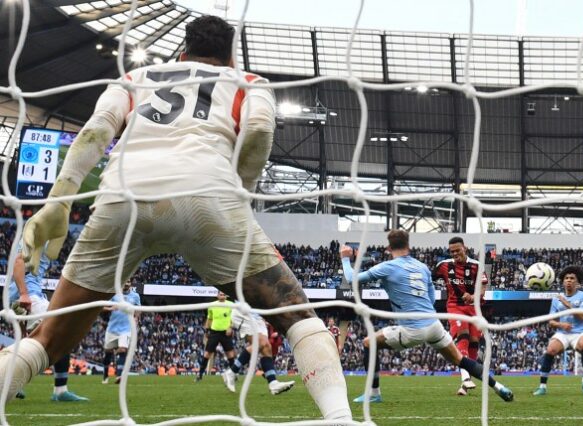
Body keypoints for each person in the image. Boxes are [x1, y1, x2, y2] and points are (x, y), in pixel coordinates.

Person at [0, 15, 351, 422]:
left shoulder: (134, 77)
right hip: (208, 196)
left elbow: (96, 130)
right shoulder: (247, 82)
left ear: (182, 50)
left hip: (122, 199)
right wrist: (241, 190)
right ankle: (340, 418)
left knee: (47, 339)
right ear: (231, 56)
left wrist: (59, 202)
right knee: (295, 315)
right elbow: (257, 130)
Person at [339, 230, 513, 403]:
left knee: (369, 343)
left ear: (388, 248)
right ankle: (499, 387)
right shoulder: (421, 267)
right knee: (461, 359)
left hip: (413, 329)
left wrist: (345, 258)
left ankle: (374, 393)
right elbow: (430, 298)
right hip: (434, 326)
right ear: (408, 246)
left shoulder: (386, 267)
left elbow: (350, 278)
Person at [8, 246, 88, 402]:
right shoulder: (39, 230)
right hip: (29, 295)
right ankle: (60, 391)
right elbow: (18, 261)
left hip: (29, 294)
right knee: (62, 329)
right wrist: (24, 294)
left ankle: (10, 382)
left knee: (28, 341)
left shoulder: (46, 235)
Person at [433, 236, 488, 396]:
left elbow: (483, 288)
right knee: (462, 336)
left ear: (465, 248)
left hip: (474, 308)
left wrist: (473, 296)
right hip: (455, 306)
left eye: (458, 250)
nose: (455, 253)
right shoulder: (443, 266)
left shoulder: (477, 266)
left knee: (474, 344)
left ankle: (465, 385)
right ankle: (464, 378)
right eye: (452, 251)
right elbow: (429, 278)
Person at [533, 265, 583, 396]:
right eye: (566, 278)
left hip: (579, 332)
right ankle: (542, 386)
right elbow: (551, 321)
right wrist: (561, 325)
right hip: (563, 333)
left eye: (572, 278)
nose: (569, 280)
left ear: (577, 282)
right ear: (563, 281)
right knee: (550, 350)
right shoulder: (556, 299)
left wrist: (567, 304)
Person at [226, 307, 295, 395]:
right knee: (261, 343)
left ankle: (273, 383)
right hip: (244, 313)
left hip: (258, 316)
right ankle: (232, 372)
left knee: (266, 347)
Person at [101, 280, 141, 384]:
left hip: (126, 329)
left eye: (128, 282)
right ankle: (105, 375)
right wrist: (110, 308)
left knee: (123, 349)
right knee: (107, 353)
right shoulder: (115, 295)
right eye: (125, 282)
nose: (126, 284)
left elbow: (138, 309)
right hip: (112, 328)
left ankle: (119, 376)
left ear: (131, 284)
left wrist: (136, 318)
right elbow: (101, 307)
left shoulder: (135, 296)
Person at [195, 292, 236, 386]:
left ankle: (234, 374)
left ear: (226, 296)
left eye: (223, 294)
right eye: (220, 294)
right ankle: (200, 374)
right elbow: (209, 319)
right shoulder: (212, 305)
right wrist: (206, 331)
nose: (222, 295)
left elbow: (234, 318)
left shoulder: (231, 305)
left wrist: (231, 327)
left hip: (226, 332)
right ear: (217, 296)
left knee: (230, 354)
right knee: (207, 354)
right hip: (214, 332)